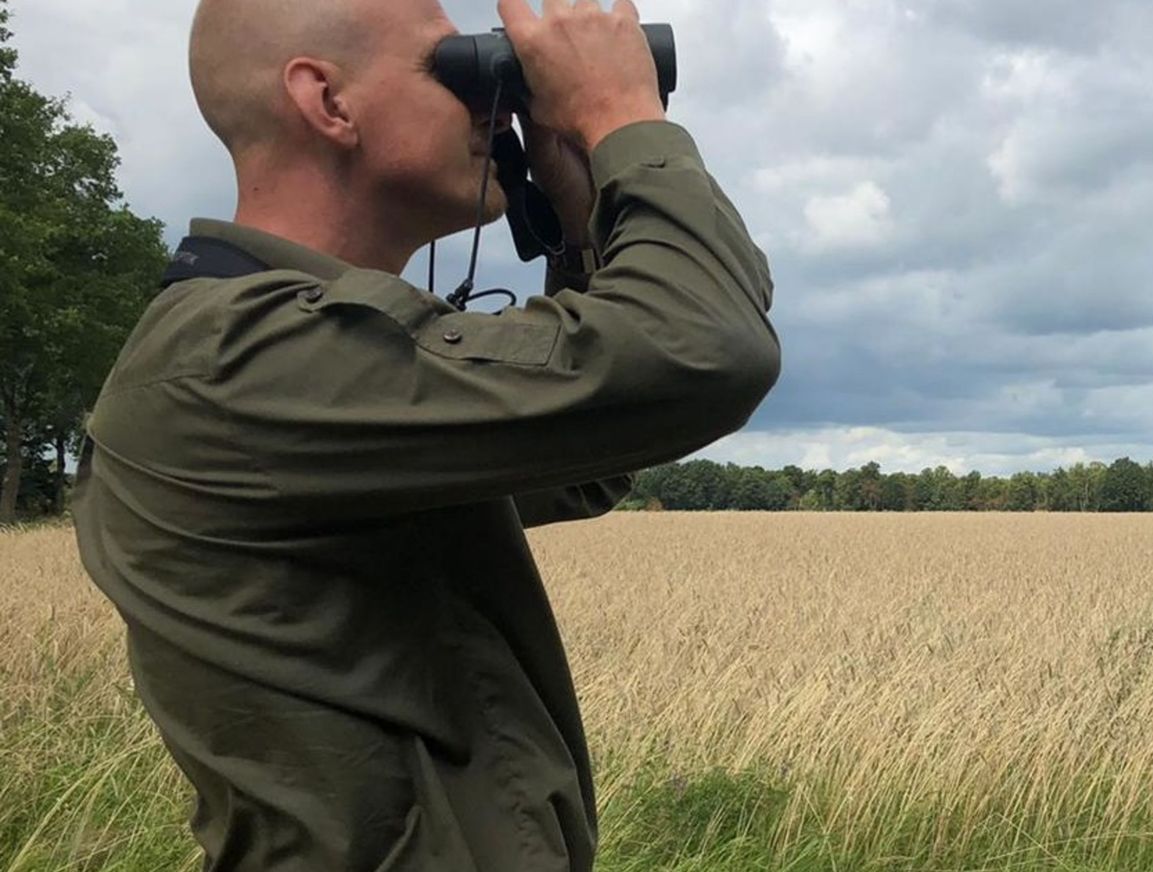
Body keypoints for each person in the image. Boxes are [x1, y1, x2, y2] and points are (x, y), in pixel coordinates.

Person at [69, 0, 779, 868]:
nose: (492, 103)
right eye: (453, 69)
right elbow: (706, 348)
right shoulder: (241, 356)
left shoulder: (283, 357)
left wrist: (581, 209)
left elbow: (587, 458)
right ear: (327, 101)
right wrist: (620, 116)